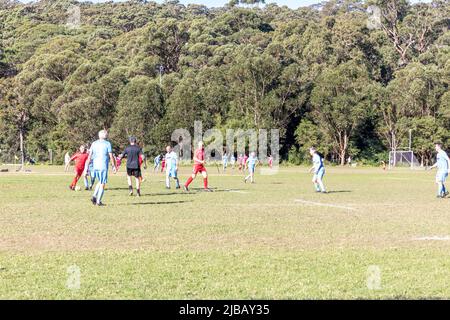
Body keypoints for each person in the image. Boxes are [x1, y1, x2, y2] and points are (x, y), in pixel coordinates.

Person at [85, 130, 117, 206]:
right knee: (103, 183)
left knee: (100, 181)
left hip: (95, 166)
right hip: (103, 166)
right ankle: (98, 202)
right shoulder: (107, 143)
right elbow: (111, 156)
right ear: (105, 136)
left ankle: (94, 196)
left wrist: (87, 167)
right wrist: (113, 166)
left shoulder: (94, 143)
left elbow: (89, 156)